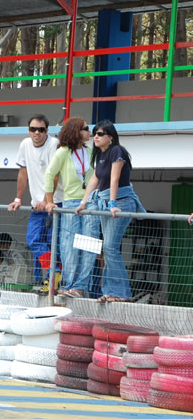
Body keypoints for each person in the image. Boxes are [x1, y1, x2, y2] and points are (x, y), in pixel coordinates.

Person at [76, 120, 145, 303]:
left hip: (121, 202)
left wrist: (113, 203)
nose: (96, 137)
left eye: (100, 134)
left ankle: (121, 292)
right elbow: (95, 179)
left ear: (110, 137)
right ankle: (110, 291)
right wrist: (83, 202)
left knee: (110, 248)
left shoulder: (117, 151)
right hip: (105, 203)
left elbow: (114, 179)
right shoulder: (100, 154)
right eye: (95, 134)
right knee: (108, 249)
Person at [7, 114, 63, 294]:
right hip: (38, 205)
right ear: (28, 130)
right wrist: (18, 199)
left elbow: (55, 175)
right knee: (34, 240)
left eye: (41, 129)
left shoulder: (54, 144)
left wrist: (48, 200)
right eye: (33, 129)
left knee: (56, 243)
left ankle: (55, 279)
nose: (37, 133)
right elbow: (23, 173)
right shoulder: (25, 144)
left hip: (56, 203)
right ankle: (54, 273)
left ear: (47, 131)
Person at [44, 117, 96, 298]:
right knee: (69, 246)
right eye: (86, 128)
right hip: (71, 202)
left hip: (91, 202)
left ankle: (80, 287)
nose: (89, 132)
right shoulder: (63, 152)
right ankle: (69, 284)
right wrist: (49, 201)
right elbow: (49, 175)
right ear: (76, 131)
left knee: (89, 246)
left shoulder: (90, 151)